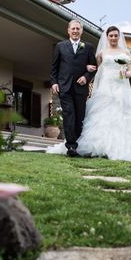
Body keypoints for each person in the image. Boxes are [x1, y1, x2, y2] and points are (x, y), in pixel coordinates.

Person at [48, 25, 131, 161]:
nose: (114, 38)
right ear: (107, 37)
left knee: (123, 116)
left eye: (116, 35)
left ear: (119, 37)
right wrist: (85, 68)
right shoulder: (101, 53)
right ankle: (83, 146)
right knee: (100, 115)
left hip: (121, 87)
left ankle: (123, 148)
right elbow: (96, 69)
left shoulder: (126, 53)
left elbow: (130, 71)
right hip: (105, 87)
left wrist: (126, 74)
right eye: (111, 36)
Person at [49, 19, 97, 157]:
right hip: (65, 87)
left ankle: (78, 143)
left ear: (81, 31)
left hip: (81, 89)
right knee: (69, 114)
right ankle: (71, 147)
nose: (75, 31)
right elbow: (54, 67)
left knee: (79, 117)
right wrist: (54, 82)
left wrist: (86, 77)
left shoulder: (88, 47)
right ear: (68, 30)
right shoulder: (60, 46)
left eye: (78, 29)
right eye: (73, 29)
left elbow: (93, 68)